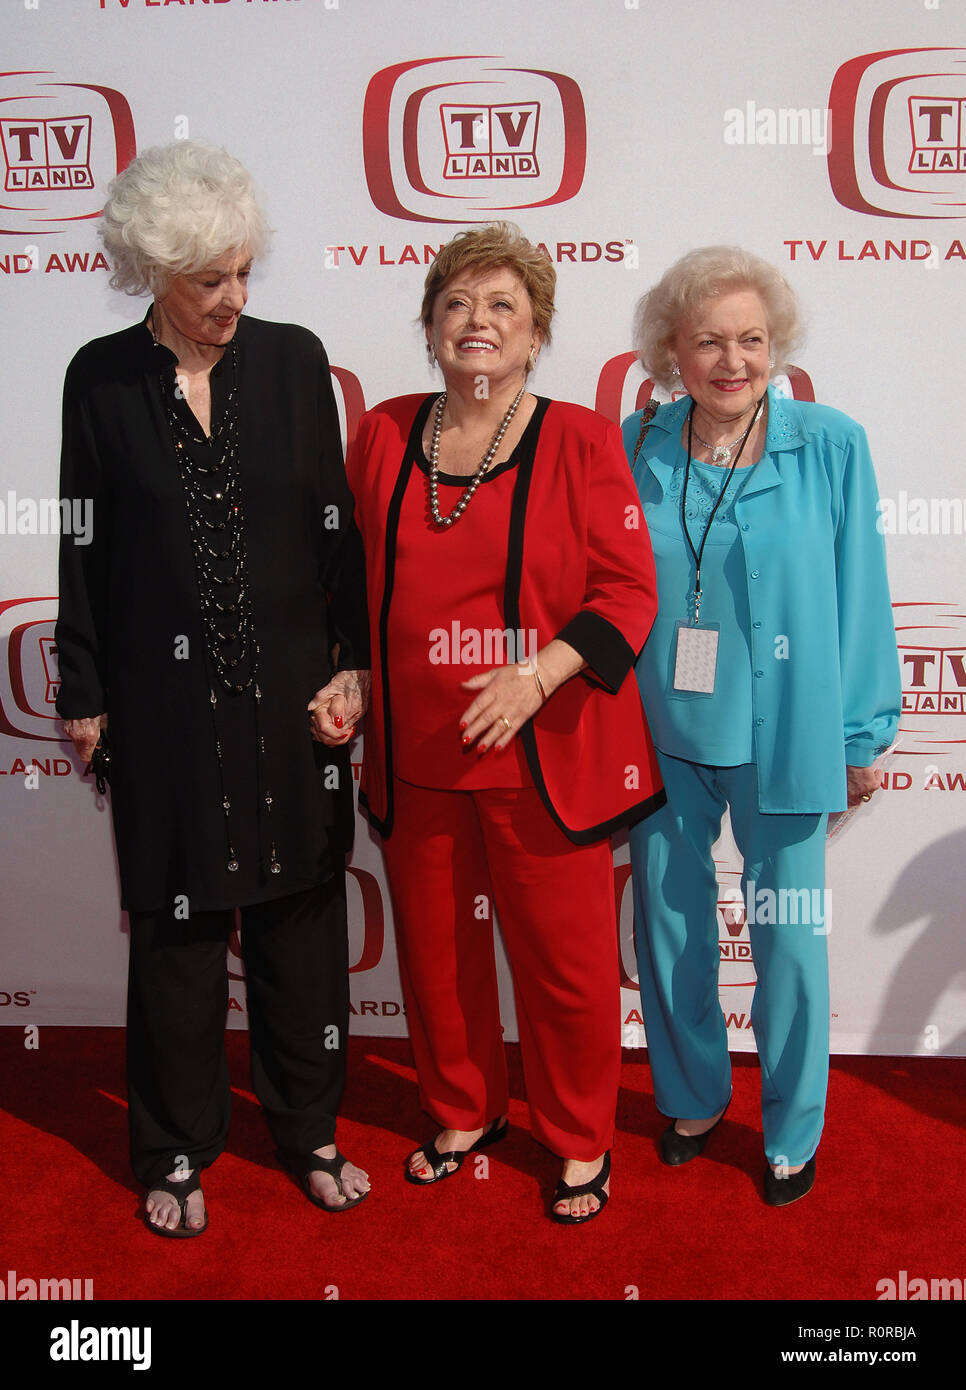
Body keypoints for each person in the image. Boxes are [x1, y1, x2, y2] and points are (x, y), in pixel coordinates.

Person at [55, 141, 371, 1234]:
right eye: (208, 279)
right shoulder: (98, 377)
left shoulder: (293, 361)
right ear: (152, 269)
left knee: (300, 920)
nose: (234, 298)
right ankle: (175, 1145)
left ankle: (309, 1125)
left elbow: (336, 528)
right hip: (160, 701)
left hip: (291, 692)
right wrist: (86, 688)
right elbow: (83, 542)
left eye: (243, 272)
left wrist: (352, 663)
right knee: (179, 931)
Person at [346, 223, 664, 1224]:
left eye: (502, 309)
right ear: (430, 325)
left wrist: (539, 675)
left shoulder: (578, 436)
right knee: (438, 959)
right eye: (456, 306)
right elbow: (345, 583)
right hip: (418, 751)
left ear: (535, 336)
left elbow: (627, 592)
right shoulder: (385, 431)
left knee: (564, 968)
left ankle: (577, 1138)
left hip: (543, 749)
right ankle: (463, 1112)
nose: (476, 324)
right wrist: (346, 674)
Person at [623, 246, 901, 1205]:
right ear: (672, 351)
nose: (732, 360)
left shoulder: (829, 444)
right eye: (709, 341)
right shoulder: (636, 446)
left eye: (751, 339)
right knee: (667, 926)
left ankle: (792, 1129)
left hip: (785, 737)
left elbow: (861, 594)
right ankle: (694, 1096)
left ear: (776, 345)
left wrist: (862, 733)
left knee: (789, 938)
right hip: (662, 733)